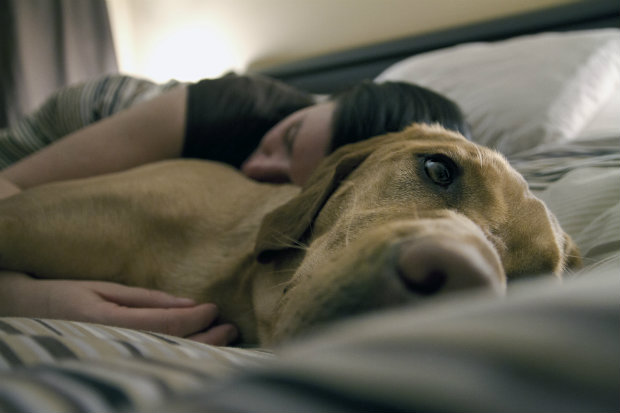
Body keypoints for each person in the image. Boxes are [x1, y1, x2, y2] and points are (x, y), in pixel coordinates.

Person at [0, 72, 470, 345]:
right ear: (328, 100)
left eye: (287, 186)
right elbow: (11, 185)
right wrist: (24, 298)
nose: (256, 167)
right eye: (288, 140)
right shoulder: (233, 106)